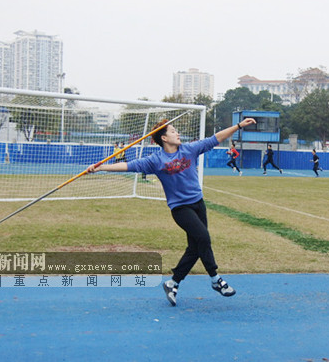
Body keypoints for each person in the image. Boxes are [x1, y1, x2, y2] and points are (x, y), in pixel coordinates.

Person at [87, 118, 257, 306]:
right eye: (173, 131)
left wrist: (239, 126)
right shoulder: (155, 160)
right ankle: (215, 279)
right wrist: (101, 167)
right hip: (180, 208)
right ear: (164, 138)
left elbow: (215, 138)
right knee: (204, 238)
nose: (178, 134)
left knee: (195, 248)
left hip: (198, 204)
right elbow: (129, 166)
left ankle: (173, 282)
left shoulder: (189, 149)